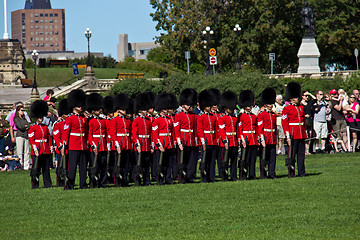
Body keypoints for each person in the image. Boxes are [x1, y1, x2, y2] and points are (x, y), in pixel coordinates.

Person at [63, 89, 88, 190]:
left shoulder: (83, 118)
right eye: (78, 105)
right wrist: (64, 145)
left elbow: (86, 132)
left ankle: (83, 184)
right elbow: (66, 133)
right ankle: (70, 185)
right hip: (73, 145)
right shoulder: (70, 118)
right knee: (72, 167)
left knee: (83, 167)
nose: (80, 107)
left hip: (82, 145)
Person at [282, 81, 306, 178]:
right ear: (291, 99)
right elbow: (285, 123)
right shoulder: (287, 109)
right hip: (292, 133)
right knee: (291, 155)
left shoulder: (300, 108)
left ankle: (301, 172)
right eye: (296, 97)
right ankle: (291, 173)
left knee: (301, 155)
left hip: (300, 133)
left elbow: (303, 120)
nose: (297, 99)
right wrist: (287, 135)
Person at [174, 88, 198, 183]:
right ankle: (182, 177)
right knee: (182, 160)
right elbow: (177, 130)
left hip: (191, 140)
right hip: (183, 140)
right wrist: (179, 142)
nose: (190, 106)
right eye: (188, 104)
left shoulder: (193, 116)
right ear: (183, 104)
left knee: (191, 161)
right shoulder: (178, 116)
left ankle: (190, 176)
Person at [29, 100, 53, 189]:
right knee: (36, 169)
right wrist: (35, 149)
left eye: (41, 117)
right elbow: (32, 139)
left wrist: (50, 147)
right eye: (39, 117)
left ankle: (48, 184)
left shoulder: (45, 127)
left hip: (45, 149)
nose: (41, 119)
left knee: (46, 169)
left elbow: (48, 139)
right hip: (37, 150)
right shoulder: (32, 127)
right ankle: (35, 185)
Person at [152, 93, 175, 185]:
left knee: (168, 163)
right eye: (164, 108)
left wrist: (173, 143)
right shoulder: (156, 120)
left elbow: (171, 132)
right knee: (160, 163)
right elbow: (155, 134)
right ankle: (159, 179)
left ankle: (168, 178)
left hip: (169, 142)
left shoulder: (169, 119)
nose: (166, 110)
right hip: (162, 143)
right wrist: (159, 144)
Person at [87, 93, 108, 188]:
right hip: (95, 146)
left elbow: (106, 134)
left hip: (103, 145)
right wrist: (93, 146)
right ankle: (93, 182)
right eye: (97, 108)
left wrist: (107, 145)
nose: (100, 110)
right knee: (94, 166)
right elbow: (89, 135)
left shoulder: (102, 120)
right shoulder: (90, 121)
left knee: (104, 166)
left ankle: (103, 183)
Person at [111, 93, 132, 187]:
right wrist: (117, 145)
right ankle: (117, 181)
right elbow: (113, 134)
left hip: (126, 144)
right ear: (118, 110)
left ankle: (124, 179)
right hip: (119, 144)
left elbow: (129, 133)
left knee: (126, 165)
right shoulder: (114, 120)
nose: (125, 110)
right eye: (123, 109)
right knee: (118, 164)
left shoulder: (127, 120)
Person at [197, 90, 217, 183]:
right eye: (207, 105)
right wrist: (203, 141)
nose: (209, 107)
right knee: (205, 160)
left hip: (212, 140)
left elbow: (215, 129)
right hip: (205, 140)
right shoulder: (201, 117)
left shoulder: (213, 116)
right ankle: (204, 177)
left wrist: (216, 139)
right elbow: (200, 130)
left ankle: (211, 177)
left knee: (212, 161)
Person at [132, 93, 152, 186]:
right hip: (140, 144)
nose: (145, 110)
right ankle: (138, 181)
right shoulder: (136, 120)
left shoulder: (148, 120)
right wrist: (137, 145)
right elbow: (134, 134)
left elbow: (150, 133)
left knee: (147, 165)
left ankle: (147, 181)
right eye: (144, 109)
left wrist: (151, 145)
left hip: (147, 144)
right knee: (138, 164)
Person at [257, 88, 277, 179]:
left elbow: (275, 127)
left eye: (271, 103)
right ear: (265, 104)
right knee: (264, 157)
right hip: (265, 137)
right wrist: (261, 139)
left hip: (272, 137)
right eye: (269, 103)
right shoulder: (262, 114)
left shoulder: (273, 114)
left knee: (272, 158)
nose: (271, 105)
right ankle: (263, 174)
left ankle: (272, 173)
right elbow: (260, 128)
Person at [218, 91, 238, 181]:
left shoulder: (234, 118)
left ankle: (233, 176)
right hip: (226, 141)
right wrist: (225, 141)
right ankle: (224, 176)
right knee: (225, 161)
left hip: (234, 141)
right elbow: (222, 130)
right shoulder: (222, 118)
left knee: (234, 161)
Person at [238, 90, 257, 180]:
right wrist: (242, 139)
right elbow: (240, 129)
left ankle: (252, 174)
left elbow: (256, 128)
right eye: (248, 105)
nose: (249, 107)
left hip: (253, 139)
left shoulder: (253, 116)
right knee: (244, 158)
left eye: (250, 105)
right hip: (245, 139)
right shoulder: (241, 116)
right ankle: (243, 174)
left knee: (252, 159)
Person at [52, 99, 70, 187]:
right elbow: (56, 136)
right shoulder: (58, 124)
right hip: (61, 148)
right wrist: (60, 146)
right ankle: (60, 182)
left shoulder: (69, 122)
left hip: (69, 146)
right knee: (60, 166)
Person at [13, 105, 30, 170]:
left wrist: (26, 126)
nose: (22, 112)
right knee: (20, 152)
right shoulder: (16, 119)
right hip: (20, 136)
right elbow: (20, 127)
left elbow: (28, 125)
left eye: (23, 110)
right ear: (18, 111)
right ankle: (20, 165)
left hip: (26, 135)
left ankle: (26, 166)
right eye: (21, 110)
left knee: (26, 151)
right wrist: (25, 126)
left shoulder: (24, 118)